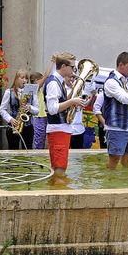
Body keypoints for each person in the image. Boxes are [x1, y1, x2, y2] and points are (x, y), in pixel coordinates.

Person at [42, 52, 85, 183]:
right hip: (58, 129)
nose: (74, 70)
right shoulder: (54, 83)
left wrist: (73, 100)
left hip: (60, 129)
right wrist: (72, 102)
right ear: (63, 66)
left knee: (59, 167)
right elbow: (52, 108)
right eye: (73, 67)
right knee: (60, 169)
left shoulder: (57, 82)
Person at [94, 52, 128, 169]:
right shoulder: (111, 82)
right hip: (116, 126)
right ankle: (109, 181)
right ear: (121, 65)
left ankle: (124, 181)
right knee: (114, 159)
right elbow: (124, 98)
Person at [0, 69, 39, 149]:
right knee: (13, 150)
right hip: (14, 125)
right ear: (17, 79)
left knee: (28, 150)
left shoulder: (31, 91)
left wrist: (30, 107)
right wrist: (10, 119)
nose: (25, 80)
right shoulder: (9, 92)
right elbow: (2, 109)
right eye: (22, 78)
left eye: (26, 78)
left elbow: (37, 110)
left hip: (28, 126)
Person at [66, 75, 85, 149]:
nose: (71, 79)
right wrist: (72, 91)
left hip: (79, 128)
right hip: (67, 127)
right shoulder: (63, 89)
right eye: (69, 77)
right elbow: (63, 103)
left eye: (73, 78)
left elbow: (85, 103)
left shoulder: (81, 91)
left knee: (78, 154)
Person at [31, 71, 47, 149]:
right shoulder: (34, 88)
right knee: (39, 138)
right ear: (36, 80)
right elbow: (46, 76)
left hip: (42, 116)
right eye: (41, 80)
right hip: (38, 116)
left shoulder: (38, 90)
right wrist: (52, 62)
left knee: (42, 138)